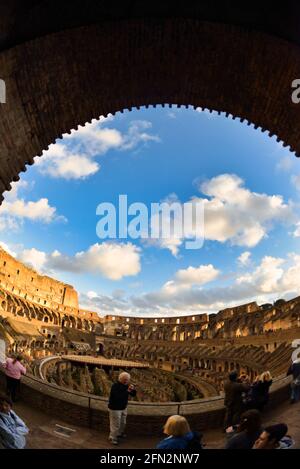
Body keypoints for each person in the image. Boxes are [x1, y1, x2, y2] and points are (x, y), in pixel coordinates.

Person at [108, 371, 136, 445]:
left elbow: (133, 395)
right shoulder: (115, 386)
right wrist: (128, 391)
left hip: (123, 407)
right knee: (115, 424)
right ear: (121, 379)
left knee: (123, 423)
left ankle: (119, 433)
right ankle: (112, 437)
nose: (127, 381)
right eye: (126, 379)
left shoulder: (126, 385)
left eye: (128, 379)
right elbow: (118, 397)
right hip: (115, 408)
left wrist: (133, 389)